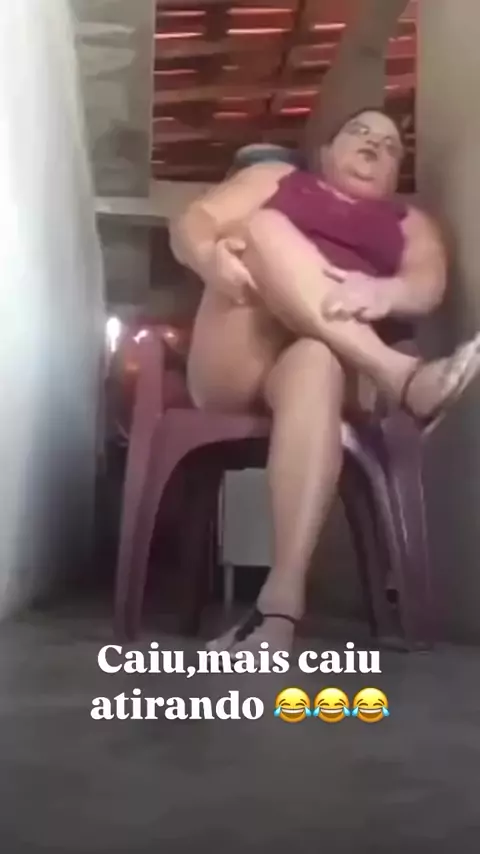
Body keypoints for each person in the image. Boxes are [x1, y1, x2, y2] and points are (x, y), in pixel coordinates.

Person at [168, 9, 480, 660]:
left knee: (316, 358)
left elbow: (427, 283)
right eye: (360, 134)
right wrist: (207, 257)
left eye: (390, 147)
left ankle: (277, 611)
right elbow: (194, 221)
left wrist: (384, 292)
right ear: (326, 152)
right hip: (239, 347)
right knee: (258, 227)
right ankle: (404, 378)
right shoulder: (279, 181)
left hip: (328, 373)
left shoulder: (409, 223)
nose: (374, 147)